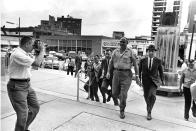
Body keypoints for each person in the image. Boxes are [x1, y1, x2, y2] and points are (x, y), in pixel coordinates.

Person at [7, 36, 44, 131]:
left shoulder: (25, 53)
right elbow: (37, 63)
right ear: (27, 44)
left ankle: (24, 128)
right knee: (23, 114)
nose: (34, 47)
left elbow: (35, 66)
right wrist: (42, 50)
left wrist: (38, 52)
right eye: (33, 45)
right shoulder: (17, 54)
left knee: (35, 107)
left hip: (27, 85)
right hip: (17, 86)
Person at [106, 37, 140, 119]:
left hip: (126, 75)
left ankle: (122, 110)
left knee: (123, 94)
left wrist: (137, 76)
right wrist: (108, 72)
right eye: (120, 41)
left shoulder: (131, 52)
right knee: (114, 93)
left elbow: (135, 64)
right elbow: (111, 63)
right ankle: (120, 100)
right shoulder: (115, 51)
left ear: (127, 43)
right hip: (116, 74)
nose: (121, 43)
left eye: (123, 42)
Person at [139, 44, 164, 121]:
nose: (151, 53)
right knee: (146, 96)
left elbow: (161, 71)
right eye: (150, 51)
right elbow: (139, 70)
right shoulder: (142, 60)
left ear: (154, 52)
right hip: (145, 81)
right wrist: (139, 79)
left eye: (152, 51)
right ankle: (148, 108)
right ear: (148, 52)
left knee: (152, 96)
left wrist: (162, 80)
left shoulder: (158, 61)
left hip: (154, 81)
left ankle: (149, 111)